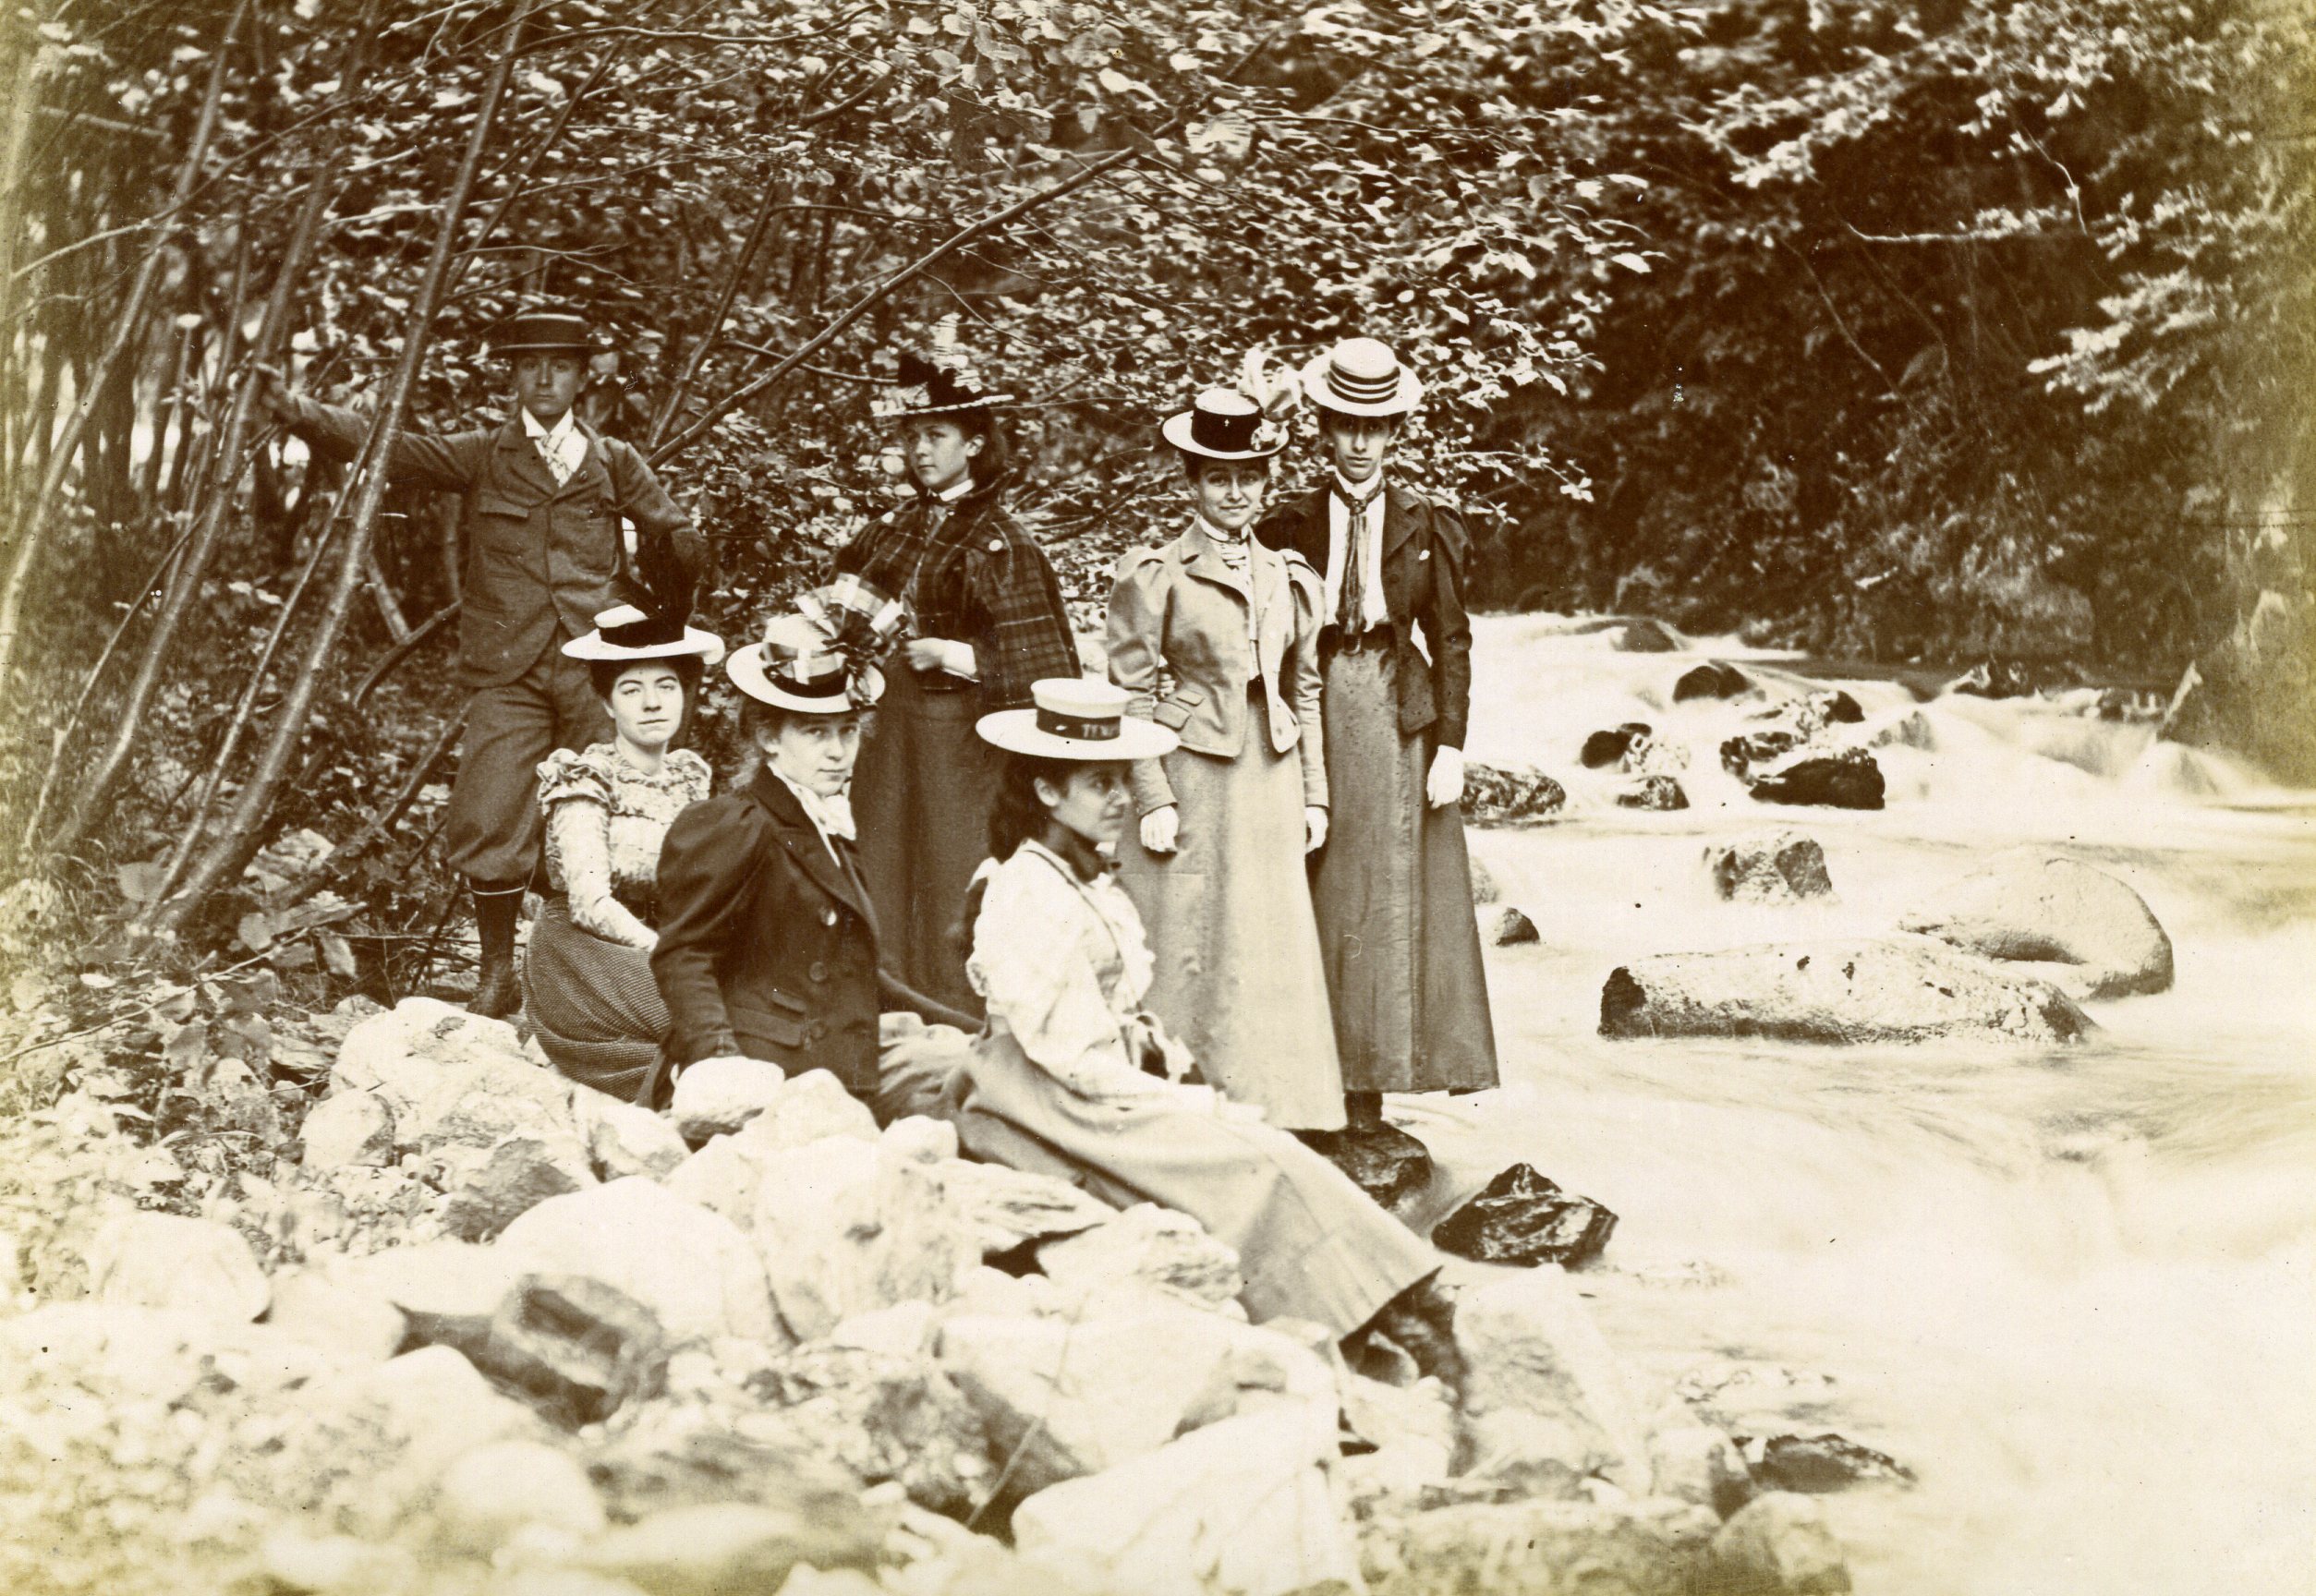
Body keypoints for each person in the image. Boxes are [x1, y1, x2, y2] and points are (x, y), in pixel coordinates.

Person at [957, 676, 1456, 1357]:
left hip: (1086, 1083)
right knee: (1256, 1156)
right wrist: (1185, 1104)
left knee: (1259, 1146)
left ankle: (1399, 1301)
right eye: (1100, 784)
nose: (1122, 798)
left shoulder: (1075, 873)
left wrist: (1175, 1076)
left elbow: (1111, 1021)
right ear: (1046, 791)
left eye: (1122, 781)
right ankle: (1385, 1309)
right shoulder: (1025, 889)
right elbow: (1069, 1056)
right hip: (1040, 1099)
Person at [261, 305, 708, 1017]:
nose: (544, 380)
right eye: (529, 366)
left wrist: (668, 597)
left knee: (607, 814)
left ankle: (601, 977)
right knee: (489, 811)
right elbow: (391, 446)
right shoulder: (481, 454)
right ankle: (497, 975)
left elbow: (676, 535)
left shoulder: (614, 461)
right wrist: (300, 412)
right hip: (509, 666)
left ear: (583, 377)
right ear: (513, 376)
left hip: (596, 669)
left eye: (559, 366)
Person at [1255, 338, 1498, 1138]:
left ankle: (1370, 1082)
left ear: (1395, 432)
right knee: (1312, 880)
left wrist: (1451, 744)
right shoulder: (1288, 520)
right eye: (1345, 425)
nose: (1359, 442)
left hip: (1396, 711)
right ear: (1324, 428)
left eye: (1375, 427)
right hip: (1312, 698)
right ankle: (1299, 1074)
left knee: (1385, 893)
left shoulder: (1426, 523)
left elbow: (1450, 637)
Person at [1104, 389, 1344, 1132]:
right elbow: (1129, 691)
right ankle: (1175, 1106)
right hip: (1191, 767)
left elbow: (1304, 690)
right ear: (1191, 482)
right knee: (1187, 932)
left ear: (1267, 481)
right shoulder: (1157, 572)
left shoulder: (1290, 575)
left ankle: (1277, 1108)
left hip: (1270, 772)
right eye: (1217, 477)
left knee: (1266, 935)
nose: (1235, 492)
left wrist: (1315, 794)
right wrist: (1152, 794)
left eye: (1248, 477)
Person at [832, 333, 1081, 1013]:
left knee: (950, 872)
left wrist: (952, 655)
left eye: (935, 435)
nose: (920, 450)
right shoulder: (893, 526)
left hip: (963, 744)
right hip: (887, 737)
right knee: (882, 864)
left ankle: (953, 1016)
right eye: (912, 436)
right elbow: (844, 618)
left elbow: (1046, 667)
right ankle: (880, 1010)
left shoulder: (1000, 539)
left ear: (973, 443)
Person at [650, 607, 973, 1113]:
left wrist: (975, 1031)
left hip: (836, 1057)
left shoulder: (825, 824)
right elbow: (683, 955)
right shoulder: (738, 823)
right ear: (768, 737)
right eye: (815, 733)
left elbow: (865, 979)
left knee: (976, 1070)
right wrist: (719, 1061)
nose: (838, 752)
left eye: (848, 731)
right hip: (765, 1070)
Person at [521, 602, 723, 1103]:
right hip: (584, 956)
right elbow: (591, 904)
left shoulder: (689, 777)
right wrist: (669, 953)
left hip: (665, 943)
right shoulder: (585, 780)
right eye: (632, 690)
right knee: (710, 1017)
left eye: (667, 686)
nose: (652, 703)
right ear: (608, 704)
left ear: (684, 693)